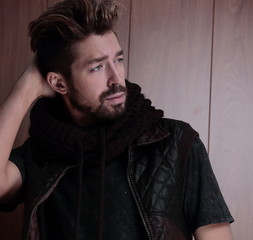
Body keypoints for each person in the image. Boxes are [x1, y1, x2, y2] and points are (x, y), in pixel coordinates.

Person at [0, 0, 234, 239]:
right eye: (97, 67)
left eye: (118, 60)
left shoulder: (176, 142)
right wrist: (24, 90)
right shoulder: (41, 155)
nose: (116, 79)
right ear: (59, 83)